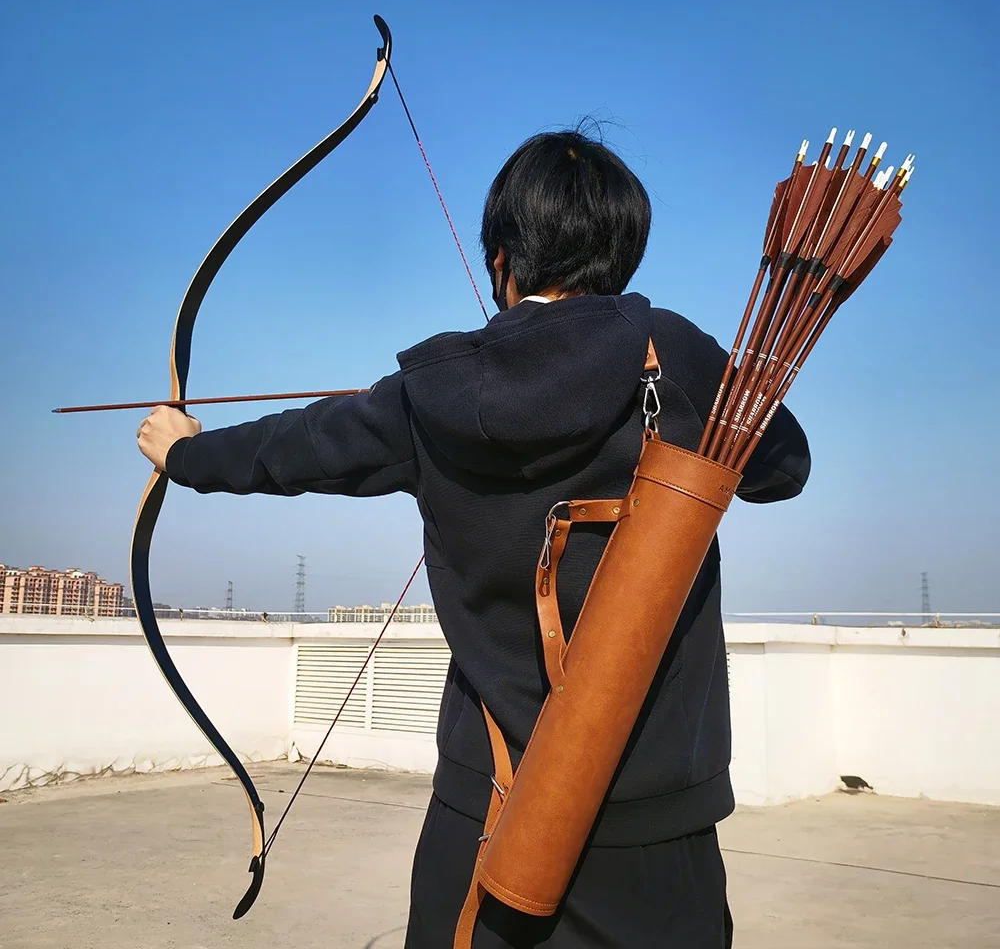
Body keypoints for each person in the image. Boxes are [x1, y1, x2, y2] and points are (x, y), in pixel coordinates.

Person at [137, 128, 810, 948]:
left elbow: (298, 446)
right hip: (659, 836)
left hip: (488, 811)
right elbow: (785, 466)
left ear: (501, 257)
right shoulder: (678, 357)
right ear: (623, 251)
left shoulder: (431, 393)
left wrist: (185, 452)